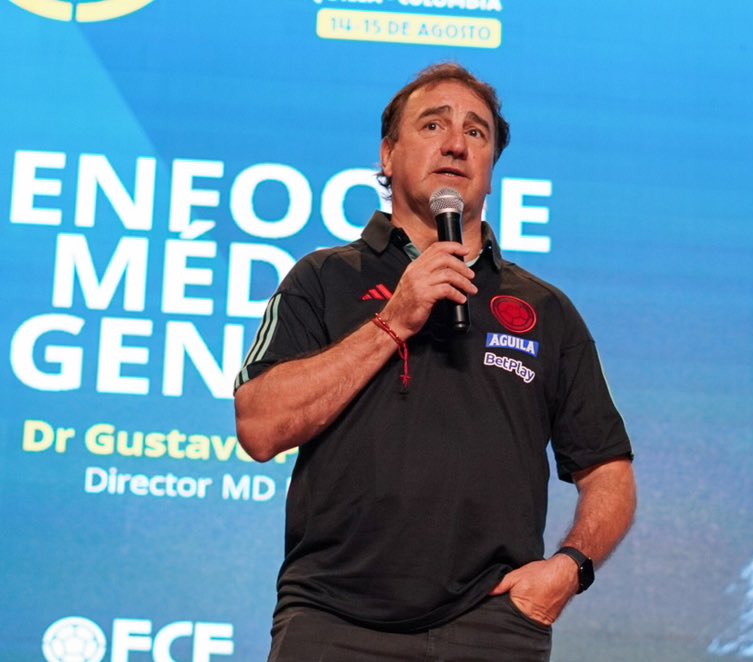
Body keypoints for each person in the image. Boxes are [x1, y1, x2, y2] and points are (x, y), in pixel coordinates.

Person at [233, 62, 636, 661]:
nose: (455, 144)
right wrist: (394, 320)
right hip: (333, 620)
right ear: (387, 155)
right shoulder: (322, 279)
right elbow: (260, 427)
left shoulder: (545, 310)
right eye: (432, 125)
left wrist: (569, 568)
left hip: (492, 626)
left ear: (491, 168)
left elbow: (609, 470)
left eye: (476, 132)